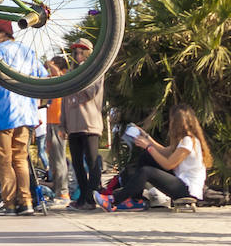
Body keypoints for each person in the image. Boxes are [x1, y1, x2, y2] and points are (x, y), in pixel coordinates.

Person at [95, 104, 212, 211]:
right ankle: (135, 200)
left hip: (187, 189)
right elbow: (164, 151)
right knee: (146, 157)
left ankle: (113, 200)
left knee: (146, 171)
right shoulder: (186, 140)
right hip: (181, 182)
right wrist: (146, 137)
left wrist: (149, 147)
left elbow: (168, 164)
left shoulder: (188, 141)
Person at [0, 19, 45, 215]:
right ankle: (26, 201)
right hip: (26, 112)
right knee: (20, 159)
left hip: (2, 112)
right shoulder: (28, 51)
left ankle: (10, 203)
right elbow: (42, 75)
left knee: (3, 160)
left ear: (3, 33)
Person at [61, 39, 103, 210]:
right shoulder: (71, 73)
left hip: (90, 122)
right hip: (73, 124)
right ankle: (82, 198)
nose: (78, 55)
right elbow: (64, 100)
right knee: (77, 163)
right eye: (76, 52)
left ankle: (92, 197)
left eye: (82, 52)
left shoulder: (96, 69)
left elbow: (91, 92)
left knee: (92, 161)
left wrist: (79, 77)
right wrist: (63, 124)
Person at [44, 56, 70, 206]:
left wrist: (51, 65)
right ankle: (57, 190)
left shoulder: (64, 78)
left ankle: (64, 192)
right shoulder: (51, 79)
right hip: (50, 122)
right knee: (53, 159)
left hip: (58, 123)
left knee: (60, 159)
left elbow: (59, 73)